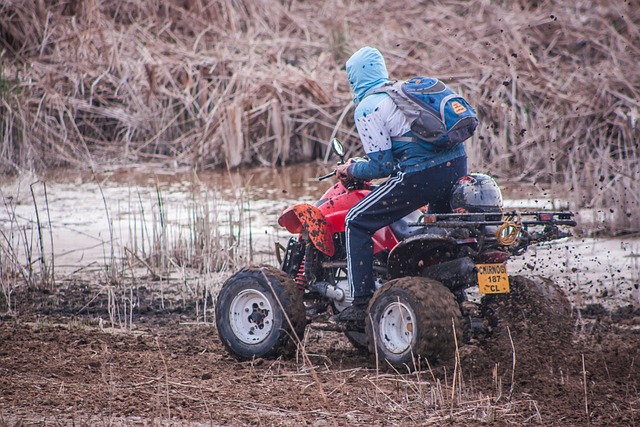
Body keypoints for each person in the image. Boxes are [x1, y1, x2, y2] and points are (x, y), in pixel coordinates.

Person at [334, 46, 468, 323]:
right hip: (457, 165)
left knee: (356, 220)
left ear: (354, 79)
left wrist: (350, 168)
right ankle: (455, 298)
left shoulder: (368, 106)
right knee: (436, 235)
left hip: (422, 175)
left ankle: (360, 305)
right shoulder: (402, 93)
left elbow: (381, 167)